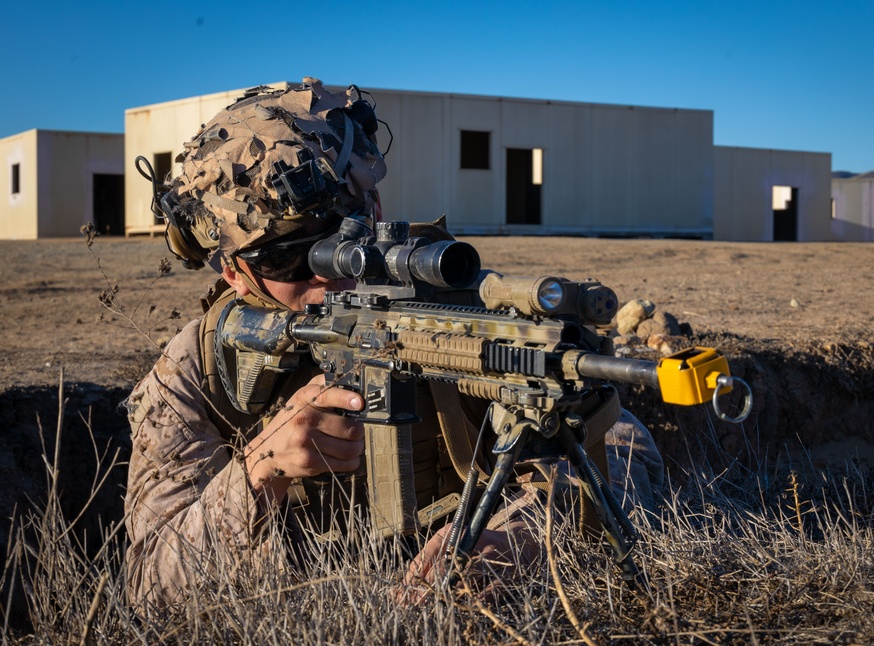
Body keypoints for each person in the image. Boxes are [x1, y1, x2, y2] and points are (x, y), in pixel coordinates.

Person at [124, 78, 663, 609]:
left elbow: (624, 448)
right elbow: (148, 586)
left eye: (343, 236)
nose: (329, 275)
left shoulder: (451, 306)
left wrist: (518, 539)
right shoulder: (197, 370)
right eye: (289, 258)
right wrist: (259, 473)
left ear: (375, 212)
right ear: (235, 270)